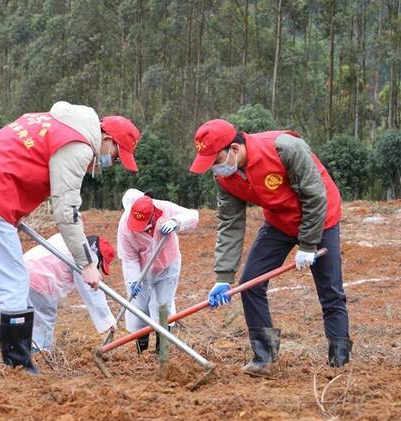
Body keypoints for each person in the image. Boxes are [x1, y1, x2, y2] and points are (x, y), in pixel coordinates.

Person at [0, 101, 140, 374]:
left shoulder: (52, 121)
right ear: (107, 139)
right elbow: (66, 211)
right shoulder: (79, 145)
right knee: (15, 283)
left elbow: (21, 160)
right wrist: (87, 263)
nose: (111, 163)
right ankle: (19, 367)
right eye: (116, 156)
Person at [189, 119, 351, 376]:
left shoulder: (284, 148)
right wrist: (223, 277)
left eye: (215, 160)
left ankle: (339, 361)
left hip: (321, 218)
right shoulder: (225, 179)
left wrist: (308, 244)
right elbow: (230, 225)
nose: (214, 168)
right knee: (250, 283)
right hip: (279, 222)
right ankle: (265, 357)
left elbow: (315, 195)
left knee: (330, 291)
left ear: (233, 149)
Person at [0, 233, 117, 352]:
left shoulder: (68, 238)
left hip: (21, 271)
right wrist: (108, 321)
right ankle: (39, 356)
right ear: (99, 256)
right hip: (40, 280)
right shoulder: (87, 256)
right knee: (42, 326)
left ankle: (16, 349)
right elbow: (90, 291)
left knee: (19, 315)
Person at [118, 189, 199, 354]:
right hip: (141, 270)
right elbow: (128, 256)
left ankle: (161, 350)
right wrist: (133, 279)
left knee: (162, 305)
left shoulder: (164, 208)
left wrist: (176, 222)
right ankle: (141, 351)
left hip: (168, 264)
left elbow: (192, 215)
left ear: (153, 213)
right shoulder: (125, 225)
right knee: (138, 308)